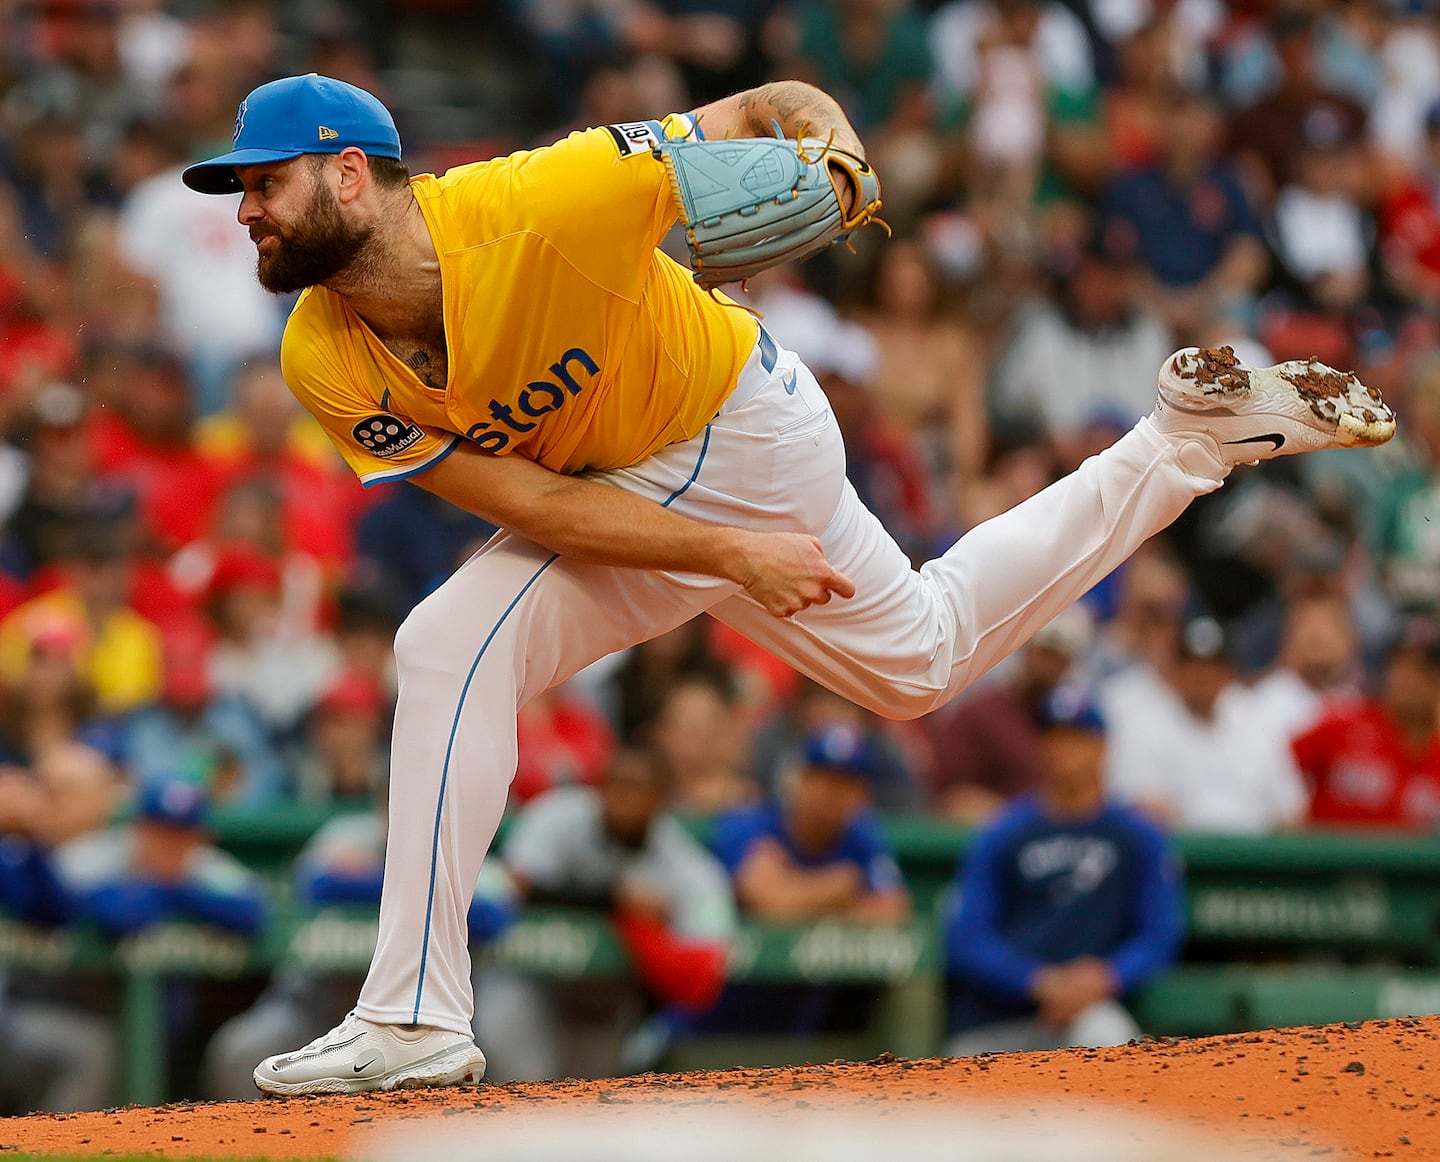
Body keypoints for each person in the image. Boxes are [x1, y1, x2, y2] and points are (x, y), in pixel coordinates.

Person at [180, 72, 1393, 1094]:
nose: (247, 211)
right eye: (239, 191)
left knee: (447, 643)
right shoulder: (322, 351)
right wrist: (727, 557)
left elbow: (772, 104)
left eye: (264, 181)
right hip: (653, 493)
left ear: (349, 174)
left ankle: (412, 1014)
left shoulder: (543, 198)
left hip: (740, 428)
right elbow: (535, 506)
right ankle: (1184, 441)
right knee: (917, 661)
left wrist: (842, 157)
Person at [944, 687, 1184, 1056]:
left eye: (1076, 739)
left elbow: (1159, 934)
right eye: (1054, 738)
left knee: (1107, 1034)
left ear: (1102, 747)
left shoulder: (1136, 836)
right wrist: (1036, 980)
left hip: (1091, 1014)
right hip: (998, 1021)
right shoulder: (1005, 831)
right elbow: (967, 938)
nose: (1063, 750)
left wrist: (1106, 977)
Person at [474, 746, 733, 1081]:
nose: (622, 794)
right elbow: (514, 888)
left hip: (604, 1000)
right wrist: (612, 900)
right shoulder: (558, 816)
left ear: (661, 799)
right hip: (532, 984)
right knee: (523, 1084)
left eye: (638, 786)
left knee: (589, 1104)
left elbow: (705, 961)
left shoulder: (683, 862)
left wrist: (645, 930)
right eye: (615, 782)